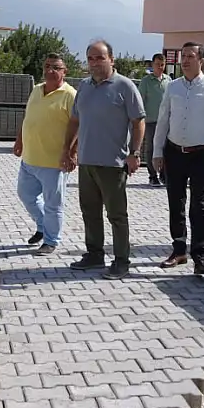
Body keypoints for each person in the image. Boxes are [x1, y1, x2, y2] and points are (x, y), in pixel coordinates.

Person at [63, 40, 146, 279]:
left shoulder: (125, 86)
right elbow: (75, 121)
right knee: (89, 211)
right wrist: (68, 149)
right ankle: (94, 255)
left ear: (112, 59)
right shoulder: (84, 87)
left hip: (113, 164)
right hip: (87, 162)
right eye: (90, 58)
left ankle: (121, 260)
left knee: (117, 215)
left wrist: (135, 153)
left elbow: (138, 121)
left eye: (100, 58)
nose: (95, 63)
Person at [152, 42, 204, 276]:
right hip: (175, 152)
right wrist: (156, 151)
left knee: (199, 205)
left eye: (190, 56)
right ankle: (178, 250)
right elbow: (163, 120)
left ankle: (200, 257)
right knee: (176, 203)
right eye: (183, 56)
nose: (185, 60)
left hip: (201, 154)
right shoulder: (172, 88)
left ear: (201, 61)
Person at [13, 54, 78, 256]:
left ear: (64, 71)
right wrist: (19, 139)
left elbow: (79, 127)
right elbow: (28, 116)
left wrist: (72, 153)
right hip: (30, 158)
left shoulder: (71, 95)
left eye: (56, 67)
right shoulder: (36, 90)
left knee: (53, 205)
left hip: (54, 162)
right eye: (47, 66)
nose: (51, 71)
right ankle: (43, 226)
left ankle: (51, 240)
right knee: (26, 195)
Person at [138, 53, 171, 186]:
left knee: (165, 148)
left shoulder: (168, 80)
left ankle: (163, 173)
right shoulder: (146, 81)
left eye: (162, 64)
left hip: (166, 122)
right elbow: (140, 100)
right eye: (157, 64)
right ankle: (152, 175)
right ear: (152, 65)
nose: (160, 67)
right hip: (151, 120)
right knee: (151, 148)